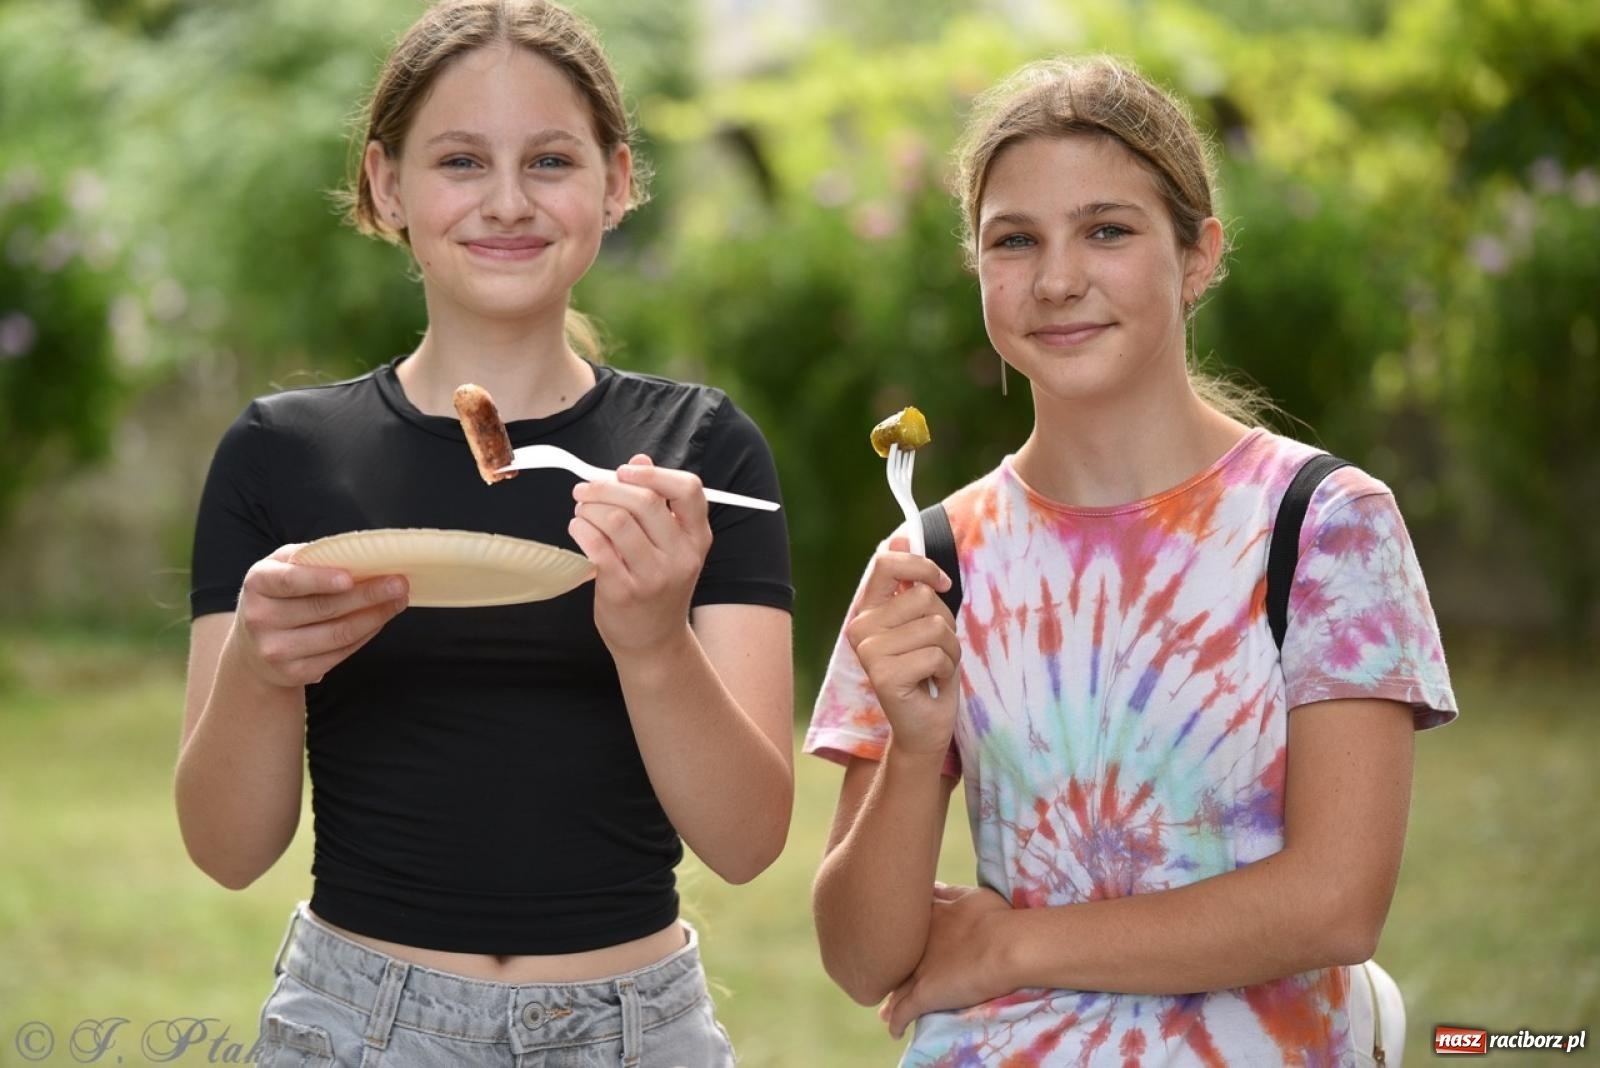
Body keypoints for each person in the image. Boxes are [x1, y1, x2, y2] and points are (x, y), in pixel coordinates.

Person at [806, 55, 1455, 1065]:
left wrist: (1012, 942)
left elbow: (1336, 905)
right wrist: (909, 741)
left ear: (1198, 256)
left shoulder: (1321, 526)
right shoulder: (931, 558)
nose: (1058, 279)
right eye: (1014, 240)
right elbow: (859, 961)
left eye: (1106, 230)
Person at [175, 2, 793, 1064]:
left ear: (617, 179)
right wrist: (260, 672)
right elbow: (227, 851)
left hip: (638, 1030)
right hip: (356, 1025)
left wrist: (651, 641)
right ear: (385, 183)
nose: (508, 202)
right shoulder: (282, 454)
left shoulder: (696, 455)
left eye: (550, 160)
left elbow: (745, 842)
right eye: (461, 160)